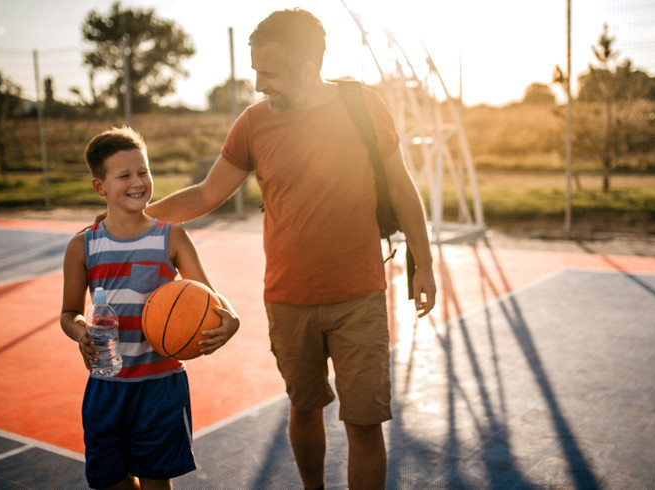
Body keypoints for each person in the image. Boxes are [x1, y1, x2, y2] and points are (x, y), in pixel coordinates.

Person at [141, 8, 436, 490]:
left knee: (363, 423)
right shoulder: (253, 123)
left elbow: (402, 189)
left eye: (269, 73)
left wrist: (423, 266)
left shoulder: (362, 106)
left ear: (308, 65)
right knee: (304, 409)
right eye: (255, 70)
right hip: (287, 299)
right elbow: (205, 194)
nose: (259, 84)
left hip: (358, 295)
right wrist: (138, 218)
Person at [60, 126, 240, 490]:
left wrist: (231, 319)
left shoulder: (171, 236)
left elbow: (210, 295)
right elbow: (68, 313)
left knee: (157, 483)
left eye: (143, 171)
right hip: (107, 385)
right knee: (111, 482)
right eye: (124, 175)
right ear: (101, 187)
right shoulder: (83, 247)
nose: (137, 181)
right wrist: (80, 332)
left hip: (161, 386)